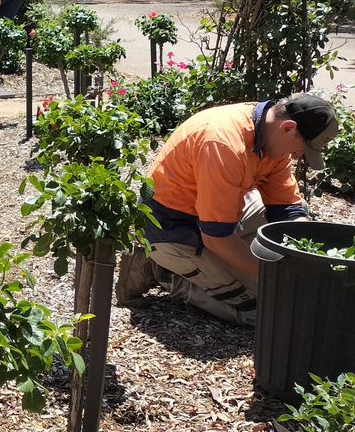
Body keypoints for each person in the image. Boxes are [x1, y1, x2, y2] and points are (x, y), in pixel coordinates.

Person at [116, 93, 340, 326]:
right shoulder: (223, 144)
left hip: (218, 215)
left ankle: (203, 266)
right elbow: (217, 237)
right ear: (287, 128)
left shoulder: (271, 137)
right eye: (302, 147)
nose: (299, 155)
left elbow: (287, 211)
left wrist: (312, 258)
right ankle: (162, 270)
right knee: (262, 312)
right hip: (173, 228)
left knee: (299, 218)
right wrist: (277, 275)